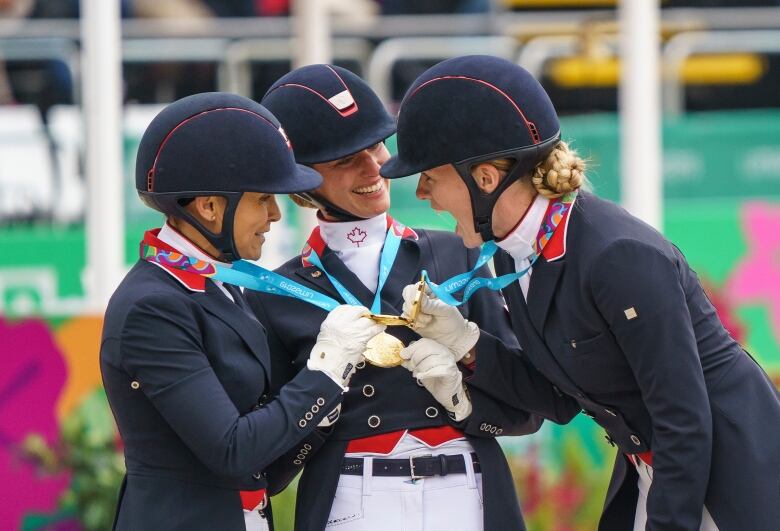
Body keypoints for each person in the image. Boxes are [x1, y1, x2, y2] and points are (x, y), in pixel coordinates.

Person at [381, 54, 780, 531]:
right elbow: (559, 399)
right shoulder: (514, 255)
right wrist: (466, 343)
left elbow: (684, 420)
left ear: (484, 177)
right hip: (657, 465)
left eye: (430, 178)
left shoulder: (618, 256)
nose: (423, 195)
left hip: (727, 476)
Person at [245, 64, 576, 531]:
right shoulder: (273, 296)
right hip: (351, 501)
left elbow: (531, 410)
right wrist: (316, 405)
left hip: (468, 492)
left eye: (376, 147)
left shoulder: (458, 253)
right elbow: (272, 468)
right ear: (303, 180)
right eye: (345, 161)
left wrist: (465, 400)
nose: (373, 168)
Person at [100, 92, 385, 531]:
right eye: (262, 200)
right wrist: (323, 373)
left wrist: (322, 415)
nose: (275, 215)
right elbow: (233, 450)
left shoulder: (224, 288)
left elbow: (265, 475)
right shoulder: (152, 307)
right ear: (210, 207)